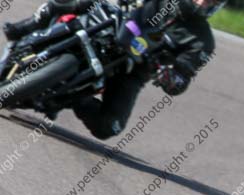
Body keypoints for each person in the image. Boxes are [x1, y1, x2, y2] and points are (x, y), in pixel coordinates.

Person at [3, 0, 219, 139]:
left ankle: (75, 97)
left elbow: (183, 77)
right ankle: (27, 27)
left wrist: (172, 78)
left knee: (110, 127)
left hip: (133, 69)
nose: (203, 2)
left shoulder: (202, 41)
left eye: (211, 1)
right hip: (113, 24)